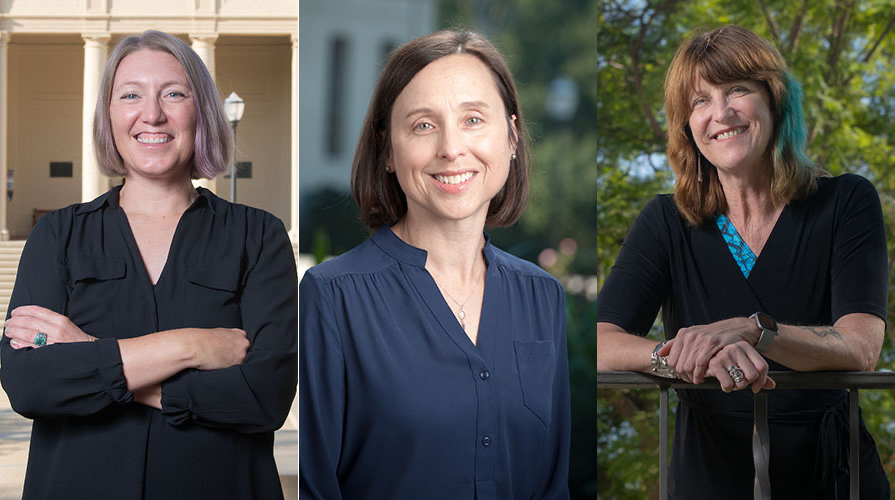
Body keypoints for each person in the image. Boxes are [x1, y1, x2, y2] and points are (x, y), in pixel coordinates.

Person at [0, 30, 297, 499]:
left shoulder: (259, 236)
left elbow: (265, 396)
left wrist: (88, 351)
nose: (152, 113)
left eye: (174, 94)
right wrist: (190, 346)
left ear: (201, 113)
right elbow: (30, 384)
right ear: (110, 115)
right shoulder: (57, 235)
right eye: (131, 94)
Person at [596, 25, 890, 499]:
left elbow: (861, 346)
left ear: (774, 101)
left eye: (737, 89)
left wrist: (755, 330)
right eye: (699, 101)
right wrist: (684, 357)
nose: (721, 113)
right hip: (709, 476)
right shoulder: (664, 222)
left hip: (833, 478)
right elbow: (600, 341)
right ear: (686, 125)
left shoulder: (845, 201)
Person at [300, 30, 570, 499]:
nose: (451, 147)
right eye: (423, 125)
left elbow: (551, 484)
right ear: (387, 150)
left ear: (510, 135)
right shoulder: (332, 296)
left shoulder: (542, 295)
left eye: (472, 119)